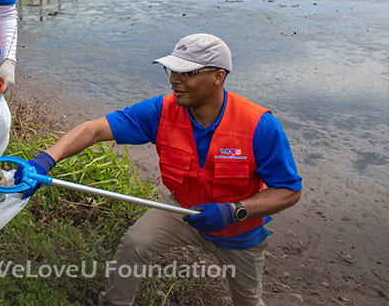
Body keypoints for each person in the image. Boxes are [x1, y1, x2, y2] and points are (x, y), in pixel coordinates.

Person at [17, 33, 302, 306]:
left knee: (248, 300)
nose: (174, 81)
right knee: (136, 243)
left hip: (239, 230)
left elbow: (289, 191)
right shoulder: (161, 111)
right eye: (172, 71)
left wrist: (234, 210)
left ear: (218, 77)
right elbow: (92, 130)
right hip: (183, 210)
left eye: (187, 73)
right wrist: (44, 161)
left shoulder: (258, 126)